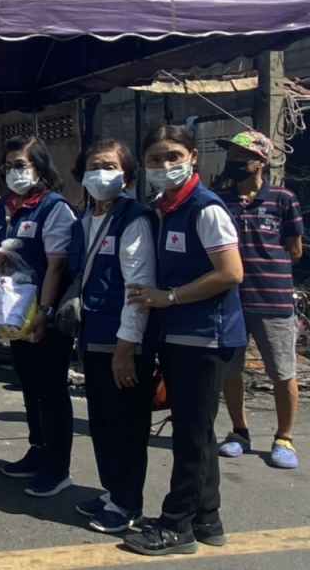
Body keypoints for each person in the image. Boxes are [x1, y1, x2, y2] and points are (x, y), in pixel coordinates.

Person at [123, 125, 245, 557]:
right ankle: (207, 517)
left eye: (173, 156)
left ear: (193, 157)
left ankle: (177, 525)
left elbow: (230, 272)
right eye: (155, 159)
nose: (165, 165)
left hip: (205, 335)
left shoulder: (203, 208)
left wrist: (168, 297)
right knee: (196, 431)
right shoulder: (164, 207)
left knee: (191, 436)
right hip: (179, 334)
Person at [69, 139, 157, 533]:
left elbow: (138, 289)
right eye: (93, 166)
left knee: (126, 427)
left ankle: (126, 503)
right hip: (94, 336)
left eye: (109, 166)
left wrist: (126, 351)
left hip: (122, 341)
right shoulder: (88, 218)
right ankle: (112, 492)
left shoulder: (133, 219)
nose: (99, 174)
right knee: (102, 423)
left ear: (127, 175)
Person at [0, 135, 76, 497]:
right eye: (8, 166)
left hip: (45, 316)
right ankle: (38, 448)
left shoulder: (54, 208)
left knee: (50, 389)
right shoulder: (4, 206)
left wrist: (46, 311)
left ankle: (57, 467)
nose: (14, 172)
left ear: (39, 167)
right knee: (30, 385)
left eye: (21, 165)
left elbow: (57, 265)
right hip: (15, 315)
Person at [214, 131, 303, 470]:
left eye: (242, 155)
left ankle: (284, 437)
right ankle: (239, 432)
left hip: (273, 300)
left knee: (282, 371)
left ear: (261, 161)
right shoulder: (220, 200)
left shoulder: (283, 199)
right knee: (231, 370)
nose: (234, 161)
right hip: (230, 302)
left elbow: (294, 249)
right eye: (231, 155)